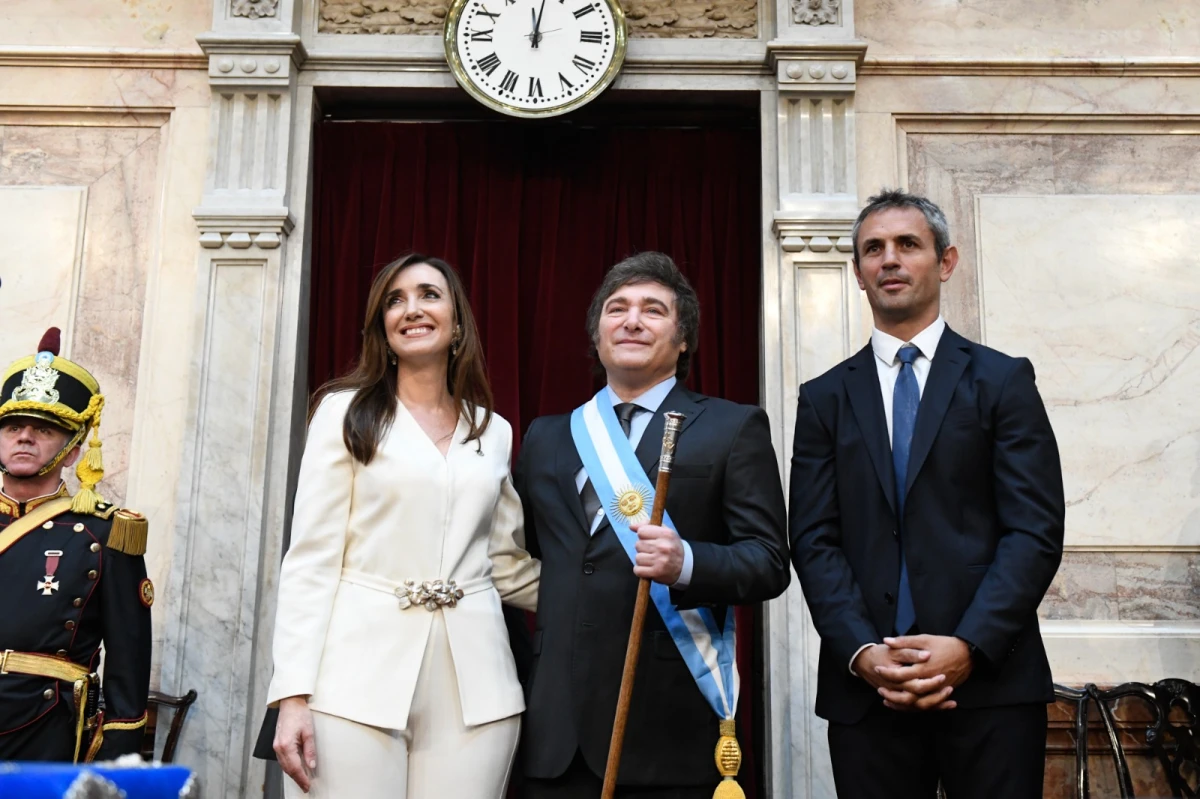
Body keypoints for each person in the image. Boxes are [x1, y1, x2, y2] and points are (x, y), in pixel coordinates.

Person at [789, 189, 1065, 798]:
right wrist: (863, 652)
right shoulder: (823, 397)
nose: (889, 259)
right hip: (868, 691)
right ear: (859, 273)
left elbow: (1035, 531)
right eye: (873, 249)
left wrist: (968, 646)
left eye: (907, 244)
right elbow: (812, 539)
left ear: (945, 261)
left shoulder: (1003, 380)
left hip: (992, 684)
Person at [513, 251, 790, 798]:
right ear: (596, 335)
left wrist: (687, 562)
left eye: (653, 310)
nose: (632, 320)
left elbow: (767, 562)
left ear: (683, 338)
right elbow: (532, 557)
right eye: (617, 309)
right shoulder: (545, 436)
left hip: (667, 726)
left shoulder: (733, 426)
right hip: (556, 729)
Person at [267, 253, 540, 798]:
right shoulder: (343, 413)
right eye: (395, 300)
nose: (411, 309)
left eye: (428, 295)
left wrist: (605, 591)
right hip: (352, 680)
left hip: (476, 687)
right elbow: (311, 560)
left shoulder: (495, 431)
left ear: (457, 323)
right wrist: (293, 695)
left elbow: (506, 564)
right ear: (382, 329)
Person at [0, 327, 153, 763]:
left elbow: (128, 664)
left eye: (43, 428)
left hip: (44, 728)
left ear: (72, 451)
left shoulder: (105, 532)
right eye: (12, 426)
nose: (24, 437)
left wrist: (114, 758)